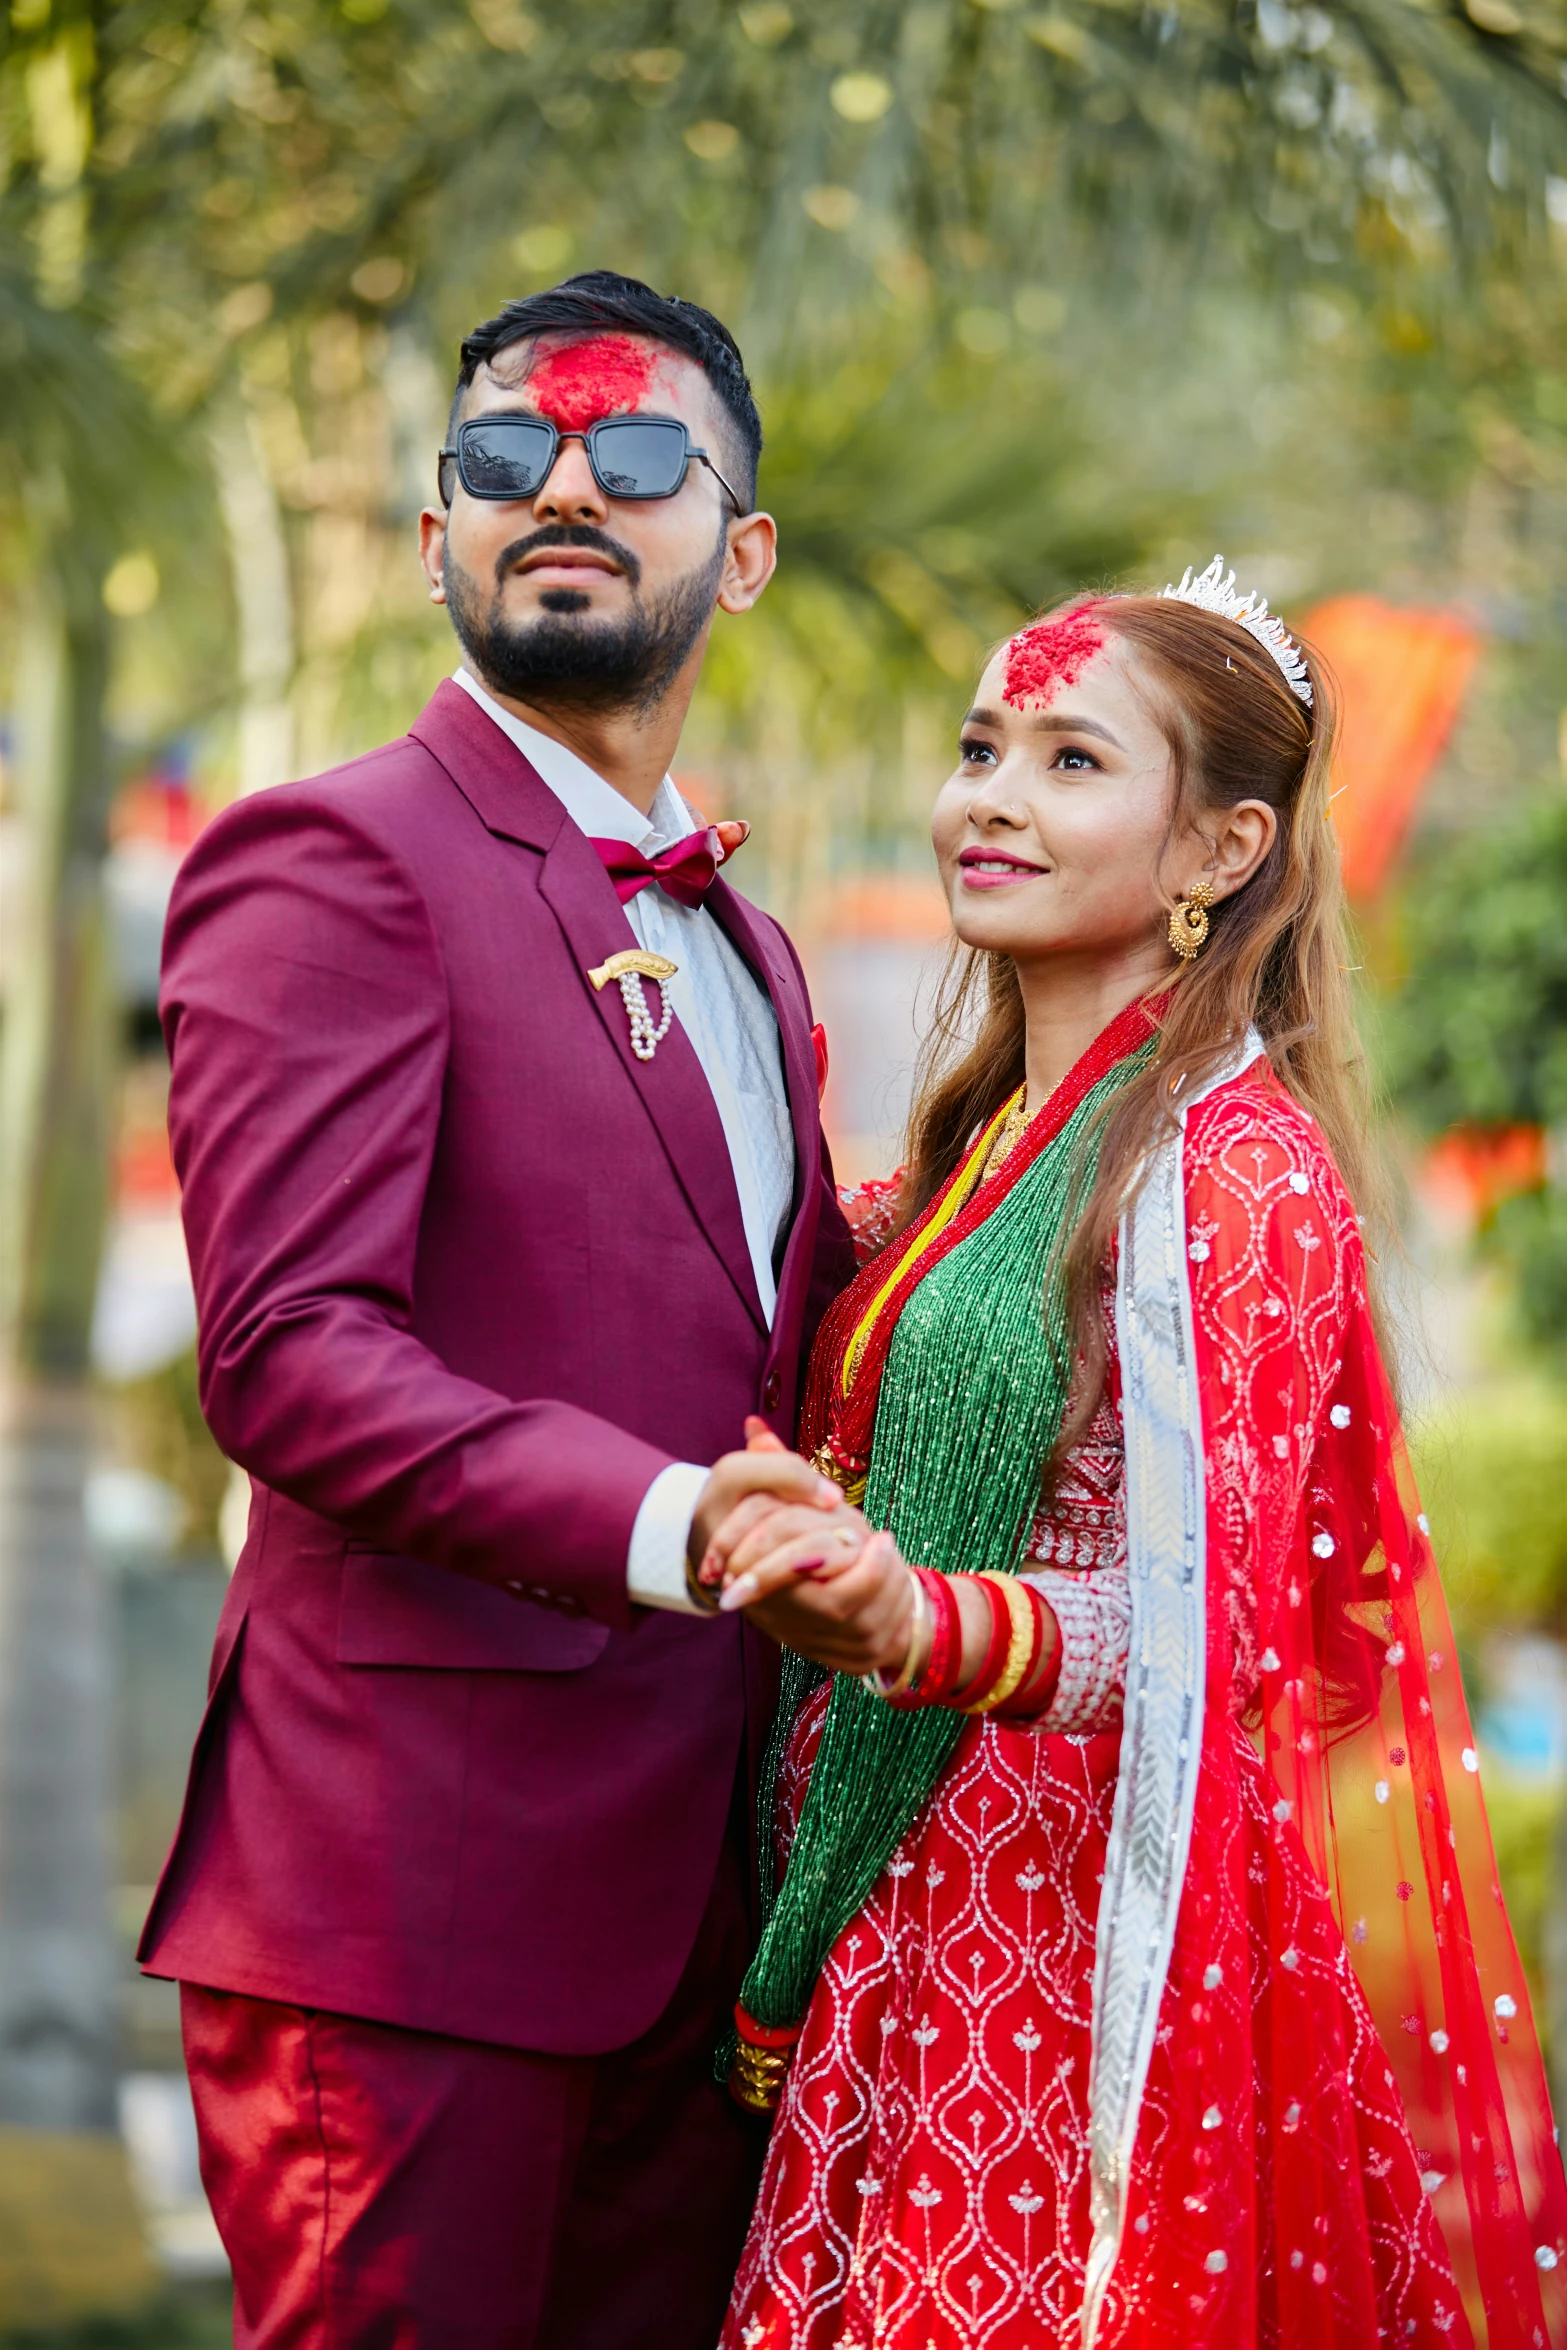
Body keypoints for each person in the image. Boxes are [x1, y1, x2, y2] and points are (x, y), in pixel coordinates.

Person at [698, 564, 1567, 2347]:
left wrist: (917, 1624)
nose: (988, 798)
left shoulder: (1230, 1173)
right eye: (976, 745)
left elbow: (1208, 1636)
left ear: (1215, 851)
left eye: (1068, 760)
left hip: (1064, 1956)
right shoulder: (984, 1147)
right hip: (904, 1902)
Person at [138, 271, 857, 2350]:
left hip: (698, 1932)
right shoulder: (332, 857)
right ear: (436, 533)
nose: (560, 484)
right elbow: (285, 1348)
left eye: (635, 457)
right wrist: (678, 1526)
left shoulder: (760, 952)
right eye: (498, 459)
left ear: (742, 549)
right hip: (409, 1919)